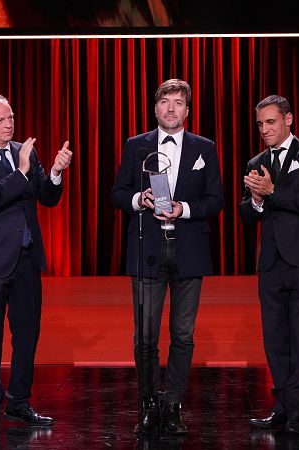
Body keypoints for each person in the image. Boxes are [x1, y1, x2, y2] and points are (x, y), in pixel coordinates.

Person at [110, 79, 224, 435]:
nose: (171, 108)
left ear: (187, 111)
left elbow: (215, 200)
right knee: (144, 335)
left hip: (188, 249)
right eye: (165, 102)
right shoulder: (135, 146)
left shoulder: (204, 147)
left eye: (178, 102)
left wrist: (184, 208)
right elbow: (117, 193)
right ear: (155, 108)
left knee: (183, 334)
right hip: (147, 249)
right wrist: (137, 200)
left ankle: (172, 405)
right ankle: (147, 405)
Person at [0, 94, 71, 436]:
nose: (9, 124)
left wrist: (53, 172)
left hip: (25, 259)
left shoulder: (26, 150)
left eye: (11, 117)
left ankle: (18, 402)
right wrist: (21, 171)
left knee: (27, 336)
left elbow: (45, 198)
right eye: (1, 120)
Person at [241, 94, 299, 435]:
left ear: (288, 119)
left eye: (271, 122)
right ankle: (281, 405)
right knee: (275, 336)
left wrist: (272, 191)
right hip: (271, 261)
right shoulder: (256, 160)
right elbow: (246, 214)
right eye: (260, 124)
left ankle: (296, 409)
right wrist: (256, 199)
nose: (265, 130)